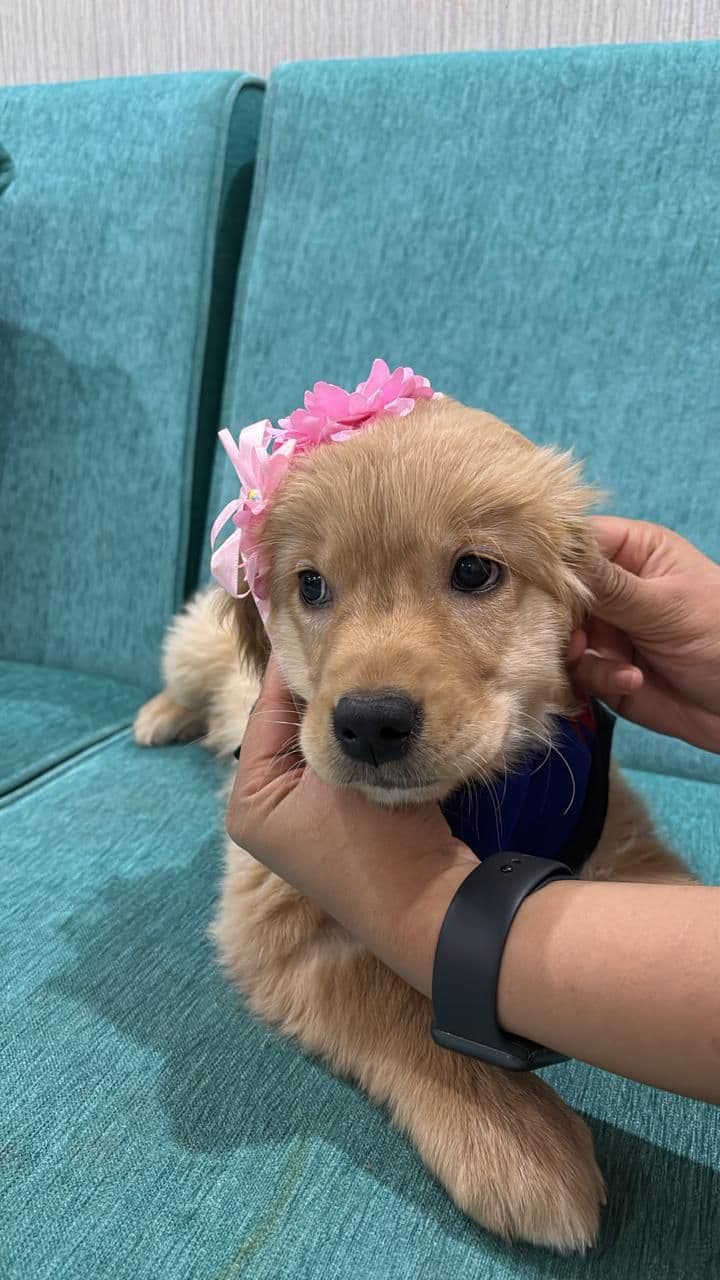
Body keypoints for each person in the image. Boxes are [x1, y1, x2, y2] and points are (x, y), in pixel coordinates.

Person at [226, 517, 720, 1104]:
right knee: (196, 663)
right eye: (313, 587)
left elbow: (637, 868)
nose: (374, 688)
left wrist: (419, 910)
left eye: (473, 573)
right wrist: (433, 1071)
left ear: (583, 598)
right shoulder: (299, 755)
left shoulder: (574, 770)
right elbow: (269, 940)